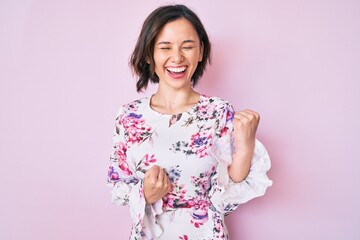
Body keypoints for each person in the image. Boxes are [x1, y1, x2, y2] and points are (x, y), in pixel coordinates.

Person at [107, 4, 272, 239]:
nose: (177, 57)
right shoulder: (128, 116)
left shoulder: (218, 112)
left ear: (201, 51)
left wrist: (246, 144)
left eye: (187, 46)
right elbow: (117, 186)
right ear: (148, 54)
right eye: (165, 47)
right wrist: (145, 192)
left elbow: (231, 186)